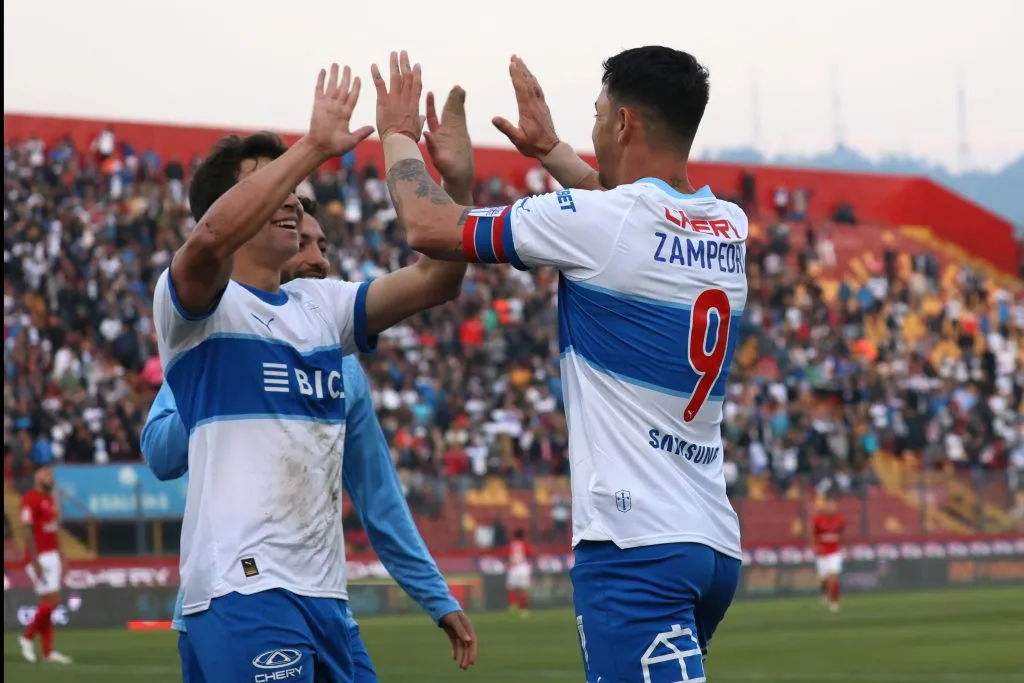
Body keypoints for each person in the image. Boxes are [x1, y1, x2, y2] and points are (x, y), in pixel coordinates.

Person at [373, 47, 746, 682]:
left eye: (598, 113)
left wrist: (398, 137)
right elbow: (630, 216)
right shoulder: (727, 225)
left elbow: (427, 224)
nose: (593, 127)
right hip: (710, 540)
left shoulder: (604, 221)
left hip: (634, 544)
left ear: (625, 123)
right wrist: (551, 151)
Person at [152, 63, 472, 682]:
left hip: (327, 602)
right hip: (241, 593)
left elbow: (438, 280)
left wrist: (453, 180)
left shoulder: (321, 309)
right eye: (273, 189)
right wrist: (311, 147)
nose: (291, 203)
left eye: (296, 196)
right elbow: (210, 239)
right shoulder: (197, 308)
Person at [17, 464, 73, 664]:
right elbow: (27, 531)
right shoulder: (29, 499)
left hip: (52, 556)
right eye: (46, 474)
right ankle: (26, 637)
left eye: (51, 474)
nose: (50, 478)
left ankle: (47, 652)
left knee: (48, 604)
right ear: (36, 476)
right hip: (39, 557)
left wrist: (62, 556)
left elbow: (54, 530)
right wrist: (34, 561)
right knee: (53, 600)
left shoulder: (49, 499)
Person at [811, 494, 846, 613]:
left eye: (833, 505)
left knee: (834, 577)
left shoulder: (839, 519)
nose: (831, 507)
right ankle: (826, 593)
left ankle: (834, 603)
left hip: (834, 552)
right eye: (829, 505)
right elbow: (813, 534)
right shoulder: (817, 519)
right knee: (823, 579)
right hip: (822, 553)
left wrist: (843, 548)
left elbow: (842, 534)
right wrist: (816, 547)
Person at [506, 529, 535, 615]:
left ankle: (513, 606)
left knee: (512, 588)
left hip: (513, 568)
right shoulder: (525, 544)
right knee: (523, 590)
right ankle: (523, 608)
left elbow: (507, 554)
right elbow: (531, 553)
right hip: (523, 567)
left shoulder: (512, 545)